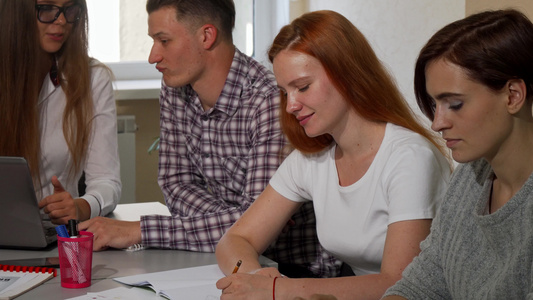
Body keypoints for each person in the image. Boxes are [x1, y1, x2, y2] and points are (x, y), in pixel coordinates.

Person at [79, 0, 342, 279]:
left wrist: (140, 230)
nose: (153, 56)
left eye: (164, 40)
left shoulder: (269, 100)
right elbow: (175, 182)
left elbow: (263, 234)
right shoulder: (176, 87)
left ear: (207, 35)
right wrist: (240, 220)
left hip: (291, 270)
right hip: (221, 258)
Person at [215, 10, 451, 300]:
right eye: (285, 92)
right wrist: (253, 278)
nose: (291, 106)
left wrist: (277, 289)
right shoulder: (311, 159)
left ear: (347, 74)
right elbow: (235, 239)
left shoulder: (410, 158)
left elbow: (400, 283)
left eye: (302, 87)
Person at [383, 9, 533, 299]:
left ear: (513, 95)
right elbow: (422, 282)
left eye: (454, 104)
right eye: (435, 104)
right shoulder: (469, 177)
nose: (437, 123)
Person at [0, 0, 121, 224]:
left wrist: (81, 206)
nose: (62, 21)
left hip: (56, 237)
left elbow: (107, 180)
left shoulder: (93, 79)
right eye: (46, 8)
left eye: (70, 9)